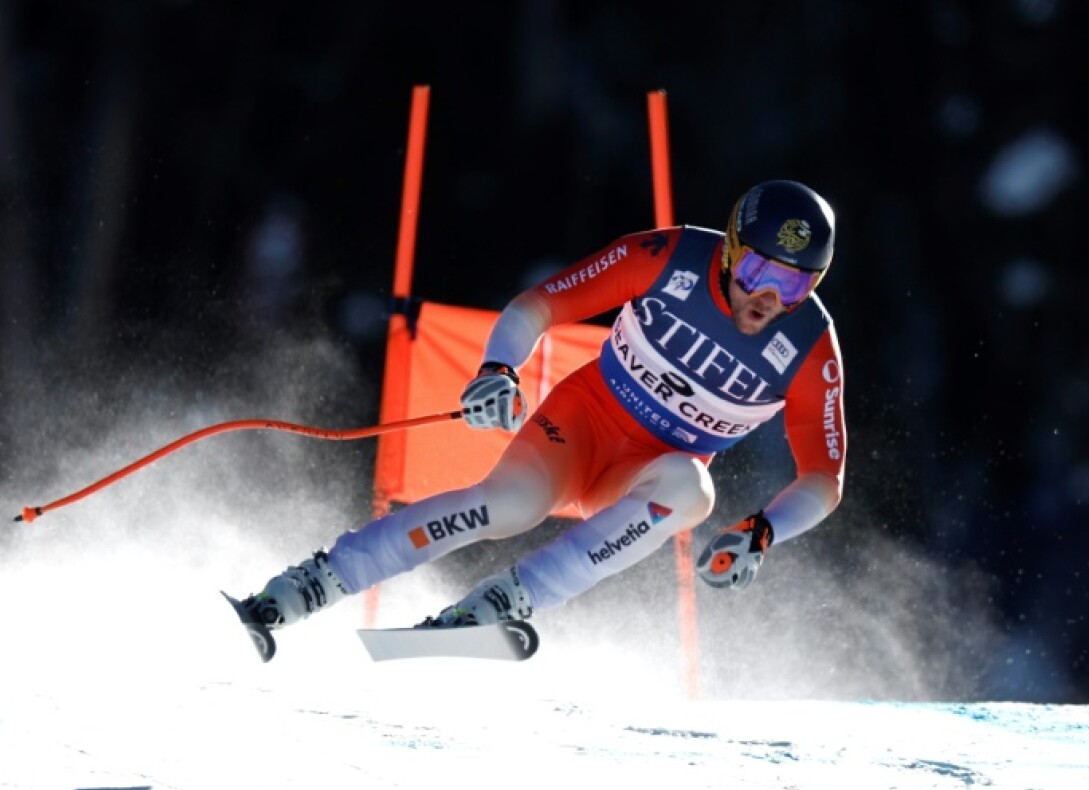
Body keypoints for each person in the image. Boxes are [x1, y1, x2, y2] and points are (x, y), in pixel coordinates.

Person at [236, 179, 847, 637]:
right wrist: (498, 369)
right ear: (731, 249)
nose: (769, 297)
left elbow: (824, 478)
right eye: (758, 270)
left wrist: (764, 531)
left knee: (693, 491)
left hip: (645, 474)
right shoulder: (668, 256)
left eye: (795, 284)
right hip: (582, 425)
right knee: (509, 505)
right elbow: (539, 306)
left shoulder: (810, 348)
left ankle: (507, 600)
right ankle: (313, 582)